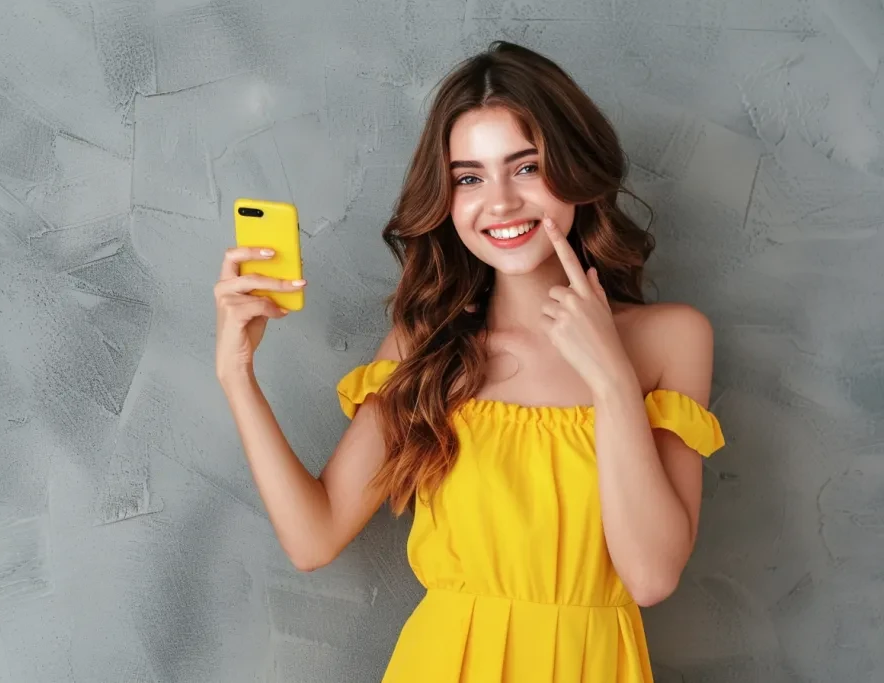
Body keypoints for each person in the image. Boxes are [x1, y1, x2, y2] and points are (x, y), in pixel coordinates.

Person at [213, 40, 725, 683]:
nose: (502, 203)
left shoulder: (672, 339)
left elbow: (650, 577)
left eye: (528, 167)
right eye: (470, 177)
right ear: (447, 196)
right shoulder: (421, 348)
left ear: (576, 168)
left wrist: (612, 378)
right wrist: (237, 375)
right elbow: (313, 540)